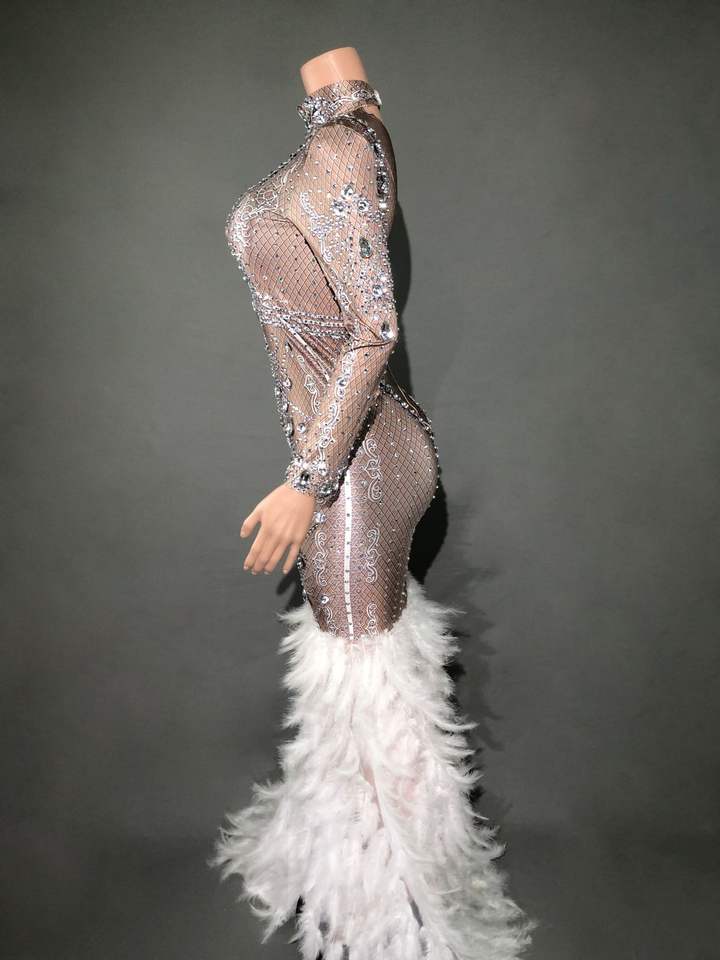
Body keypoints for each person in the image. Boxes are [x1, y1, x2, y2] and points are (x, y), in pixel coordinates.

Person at [211, 46, 536, 960]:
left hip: (361, 462)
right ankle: (350, 873)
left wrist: (307, 482)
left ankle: (395, 918)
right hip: (348, 451)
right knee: (357, 680)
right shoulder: (350, 135)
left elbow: (373, 327)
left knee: (365, 682)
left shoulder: (345, 146)